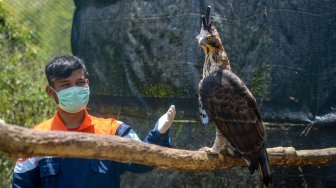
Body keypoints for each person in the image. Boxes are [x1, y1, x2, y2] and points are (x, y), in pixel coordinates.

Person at [12, 55, 176, 188]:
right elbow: (21, 184)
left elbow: (142, 163)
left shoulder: (113, 130)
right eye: (66, 85)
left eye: (80, 83)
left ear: (87, 84)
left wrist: (158, 134)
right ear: (51, 91)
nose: (75, 90)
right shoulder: (37, 138)